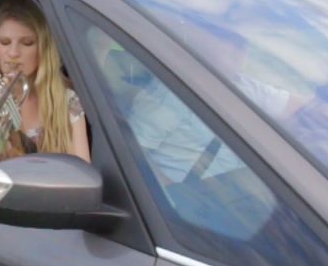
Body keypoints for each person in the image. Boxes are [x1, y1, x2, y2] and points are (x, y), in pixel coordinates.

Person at [126, 24, 301, 186]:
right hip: (190, 200)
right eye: (229, 39)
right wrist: (172, 194)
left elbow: (302, 109)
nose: (241, 49)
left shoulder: (245, 85)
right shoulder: (168, 95)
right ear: (201, 40)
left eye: (243, 42)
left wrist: (325, 102)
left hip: (242, 193)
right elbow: (130, 159)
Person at [0, 0, 91, 164]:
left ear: (43, 48)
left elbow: (82, 171)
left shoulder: (67, 101)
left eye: (27, 43)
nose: (13, 53)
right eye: (4, 42)